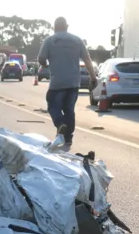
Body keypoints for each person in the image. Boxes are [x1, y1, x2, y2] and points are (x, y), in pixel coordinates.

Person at [38, 17, 96, 147]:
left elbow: (41, 59)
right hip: (73, 82)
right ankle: (68, 138)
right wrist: (93, 78)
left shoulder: (50, 40)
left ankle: (60, 124)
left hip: (57, 82)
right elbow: (87, 60)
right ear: (67, 26)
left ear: (54, 27)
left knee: (53, 106)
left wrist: (46, 63)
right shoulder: (77, 40)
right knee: (69, 110)